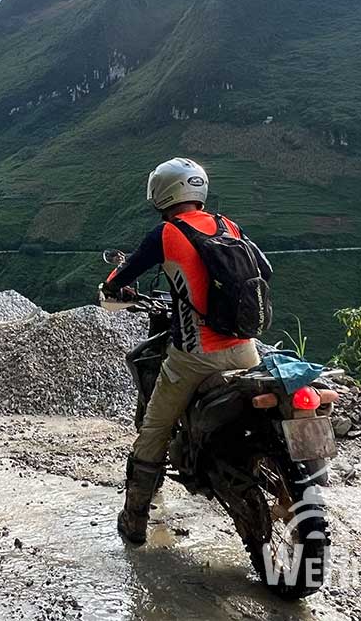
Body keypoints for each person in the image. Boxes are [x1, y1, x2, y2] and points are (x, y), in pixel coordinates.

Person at [99, 158, 264, 546]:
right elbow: (263, 271)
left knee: (153, 428)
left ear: (162, 193)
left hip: (195, 355)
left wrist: (111, 289)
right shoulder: (229, 226)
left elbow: (122, 278)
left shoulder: (166, 233)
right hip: (246, 349)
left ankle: (135, 520)